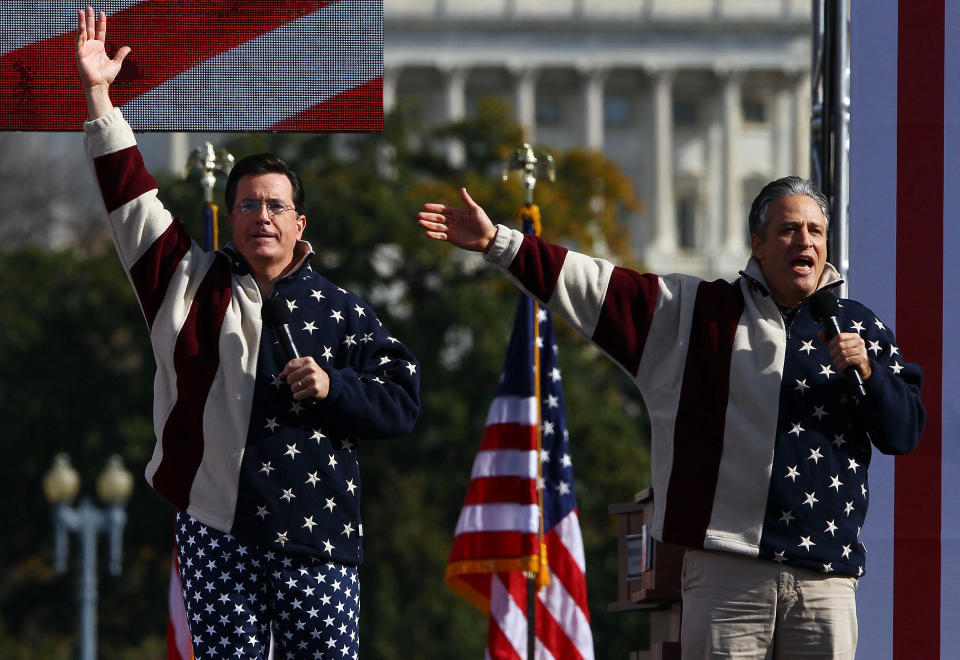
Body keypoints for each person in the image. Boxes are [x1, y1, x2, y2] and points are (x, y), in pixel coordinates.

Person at [418, 178, 924, 658]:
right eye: (789, 229)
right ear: (759, 245)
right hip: (729, 574)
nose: (804, 242)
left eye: (815, 231)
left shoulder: (860, 329)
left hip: (825, 579)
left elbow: (904, 432)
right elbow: (596, 286)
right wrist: (500, 243)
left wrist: (870, 373)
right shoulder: (697, 314)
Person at [76, 7, 420, 658]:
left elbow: (402, 402)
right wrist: (100, 98)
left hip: (316, 534)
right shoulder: (184, 282)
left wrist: (333, 386)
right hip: (214, 529)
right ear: (230, 219)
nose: (262, 216)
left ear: (299, 222)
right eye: (248, 205)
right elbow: (130, 201)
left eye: (275, 205)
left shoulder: (343, 310)